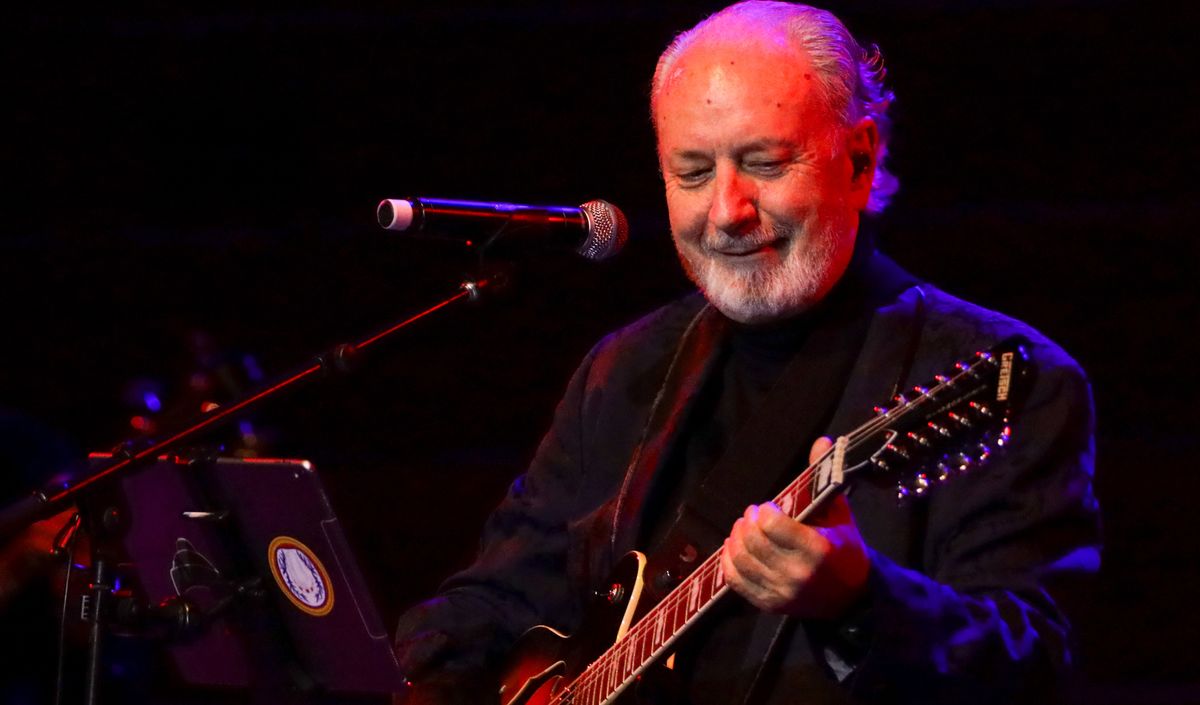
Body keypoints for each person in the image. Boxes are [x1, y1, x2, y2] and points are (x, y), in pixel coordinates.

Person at [393, 2, 1100, 703]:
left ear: (859, 159)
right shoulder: (624, 367)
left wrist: (861, 600)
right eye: (693, 173)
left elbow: (1037, 665)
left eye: (763, 162)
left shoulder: (1005, 375)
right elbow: (498, 596)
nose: (727, 210)